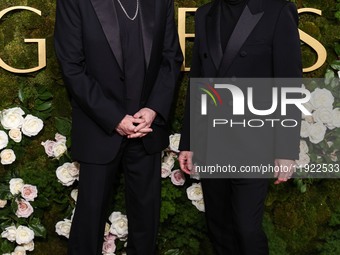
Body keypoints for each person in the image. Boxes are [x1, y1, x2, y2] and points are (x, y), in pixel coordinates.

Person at [54, 0, 183, 253]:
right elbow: (71, 66)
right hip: (99, 128)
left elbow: (171, 58)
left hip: (146, 128)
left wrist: (153, 108)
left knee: (146, 221)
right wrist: (115, 119)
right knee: (89, 220)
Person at [178, 0, 302, 254]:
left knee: (247, 227)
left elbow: (289, 83)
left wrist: (286, 150)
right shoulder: (205, 14)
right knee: (219, 227)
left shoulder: (276, 10)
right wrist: (188, 143)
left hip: (255, 142)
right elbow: (198, 82)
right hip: (212, 140)